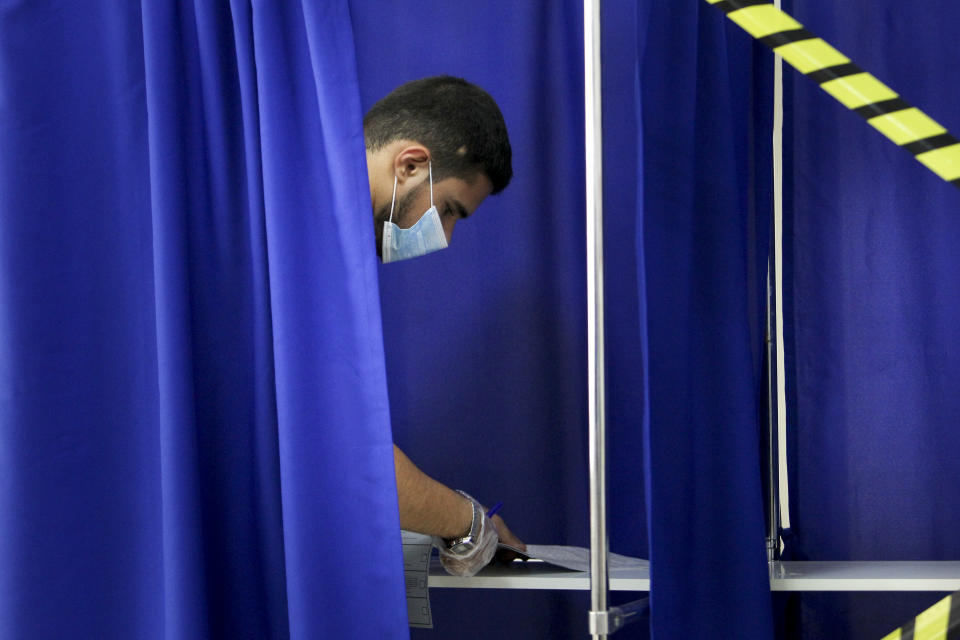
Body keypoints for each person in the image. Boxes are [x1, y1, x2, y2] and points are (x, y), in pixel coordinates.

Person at [363, 76, 525, 576]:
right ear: (410, 165)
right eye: (451, 209)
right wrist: (469, 523)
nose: (446, 238)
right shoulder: (302, 243)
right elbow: (342, 452)